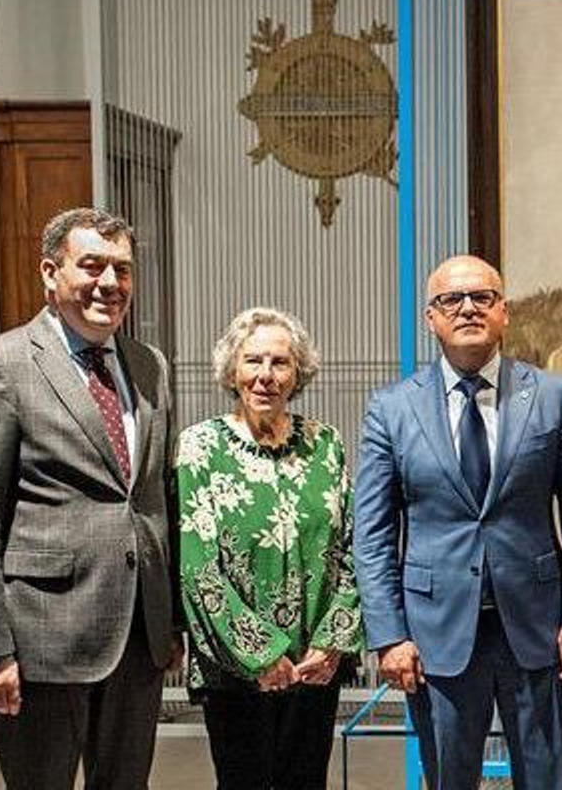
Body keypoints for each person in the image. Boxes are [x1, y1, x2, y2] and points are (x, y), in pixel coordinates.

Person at [0, 207, 178, 789]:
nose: (110, 284)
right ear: (50, 273)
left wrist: (169, 624)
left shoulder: (149, 366)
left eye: (122, 269)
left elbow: (153, 498)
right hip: (41, 643)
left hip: (138, 639)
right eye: (91, 265)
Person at [353, 255, 562, 789]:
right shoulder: (392, 410)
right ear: (431, 318)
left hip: (539, 630)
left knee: (549, 779)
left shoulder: (553, 397)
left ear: (504, 312)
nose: (467, 308)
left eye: (482, 297)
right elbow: (373, 537)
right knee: (448, 780)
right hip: (434, 634)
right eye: (451, 299)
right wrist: (388, 635)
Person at [176, 307, 362, 789]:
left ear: (298, 372)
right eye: (253, 361)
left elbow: (352, 549)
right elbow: (199, 570)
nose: (265, 376)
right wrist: (260, 655)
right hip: (236, 671)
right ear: (231, 370)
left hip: (314, 668)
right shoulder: (199, 447)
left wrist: (332, 643)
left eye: (279, 362)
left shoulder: (326, 443)